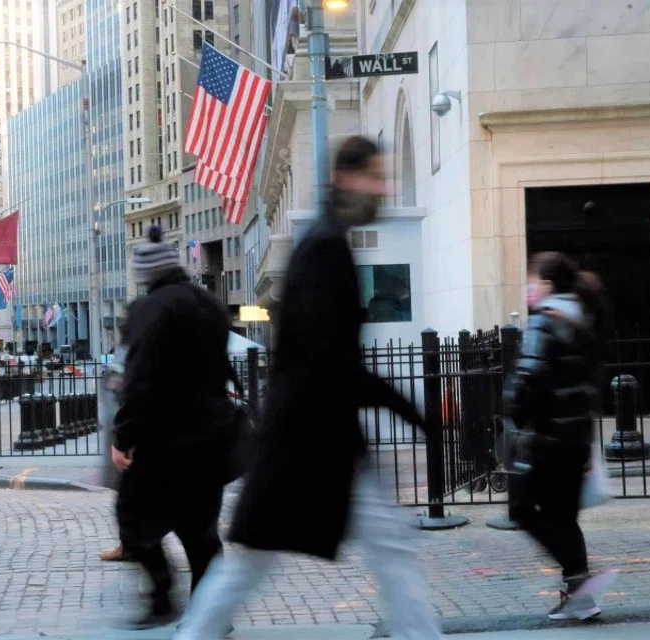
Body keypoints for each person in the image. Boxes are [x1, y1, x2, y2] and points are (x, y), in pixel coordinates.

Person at [174, 136, 442, 640]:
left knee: (262, 563)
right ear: (347, 178)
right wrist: (413, 412)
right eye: (376, 178)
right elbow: (332, 359)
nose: (384, 190)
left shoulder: (323, 243)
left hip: (313, 444)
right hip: (312, 446)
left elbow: (330, 359)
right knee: (256, 565)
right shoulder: (325, 248)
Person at [111, 225, 235, 629]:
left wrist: (124, 436)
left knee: (133, 520)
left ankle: (163, 598)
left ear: (146, 273)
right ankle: (208, 614)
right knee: (201, 534)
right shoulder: (209, 304)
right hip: (211, 437)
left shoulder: (149, 310)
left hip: (165, 440)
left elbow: (140, 378)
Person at [505, 252, 615, 621]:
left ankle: (580, 582)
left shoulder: (543, 322)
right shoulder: (582, 321)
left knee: (521, 509)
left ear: (547, 286)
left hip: (547, 439)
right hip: (577, 439)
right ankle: (582, 599)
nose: (528, 288)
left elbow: (529, 377)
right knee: (564, 517)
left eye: (532, 280)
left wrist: (513, 413)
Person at [99, 308, 130, 562]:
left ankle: (130, 545)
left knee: (129, 499)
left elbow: (120, 399)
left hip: (129, 436)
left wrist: (120, 440)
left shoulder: (128, 354)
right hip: (128, 433)